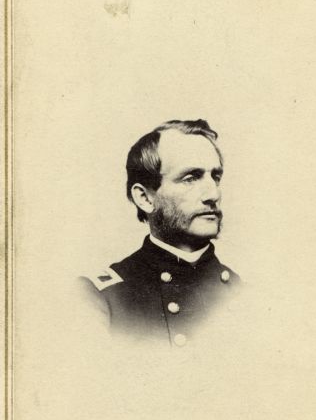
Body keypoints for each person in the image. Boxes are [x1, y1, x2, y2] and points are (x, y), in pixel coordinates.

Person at [81, 119, 240, 345]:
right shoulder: (102, 298)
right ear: (145, 198)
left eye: (215, 177)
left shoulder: (247, 296)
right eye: (191, 178)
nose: (213, 194)